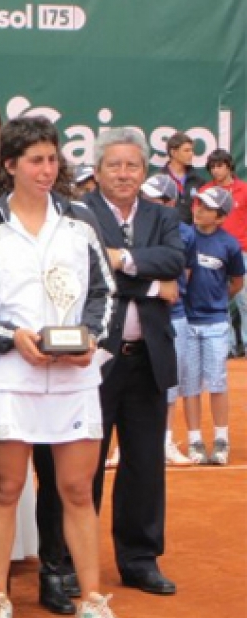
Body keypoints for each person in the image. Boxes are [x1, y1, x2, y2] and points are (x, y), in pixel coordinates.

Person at [0, 116, 122, 618]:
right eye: (36, 160)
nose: (47, 169)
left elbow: (103, 293)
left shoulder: (81, 220)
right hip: (9, 375)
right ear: (10, 165)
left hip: (75, 378)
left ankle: (90, 601)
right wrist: (11, 338)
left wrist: (90, 337)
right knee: (4, 487)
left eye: (53, 159)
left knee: (77, 490)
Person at [83, 127, 185, 597]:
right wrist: (149, 284)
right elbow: (88, 274)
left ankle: (140, 559)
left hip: (148, 358)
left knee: (145, 463)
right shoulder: (80, 216)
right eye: (114, 165)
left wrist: (122, 258)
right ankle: (66, 561)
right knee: (83, 464)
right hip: (93, 362)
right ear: (98, 170)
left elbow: (173, 262)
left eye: (132, 166)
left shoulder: (164, 216)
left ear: (145, 171)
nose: (124, 173)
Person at [181, 187, 245, 465]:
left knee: (217, 382)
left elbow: (237, 282)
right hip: (187, 322)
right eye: (198, 204)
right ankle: (195, 440)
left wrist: (217, 301)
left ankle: (221, 439)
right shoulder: (185, 237)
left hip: (216, 323)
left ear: (220, 217)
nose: (199, 209)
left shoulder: (229, 245)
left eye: (207, 208)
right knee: (190, 385)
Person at [139, 174, 196, 467]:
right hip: (140, 313)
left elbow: (182, 274)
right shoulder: (134, 226)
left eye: (154, 198)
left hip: (173, 317)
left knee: (168, 385)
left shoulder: (185, 234)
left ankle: (166, 441)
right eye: (145, 197)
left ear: (170, 203)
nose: (147, 202)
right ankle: (125, 448)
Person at [199, 149, 247, 358]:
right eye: (212, 167)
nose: (216, 170)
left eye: (220, 166)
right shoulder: (205, 191)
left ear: (229, 166)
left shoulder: (244, 190)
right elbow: (197, 220)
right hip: (213, 252)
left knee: (244, 300)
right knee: (219, 300)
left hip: (242, 250)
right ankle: (225, 347)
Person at [160, 131, 205, 224]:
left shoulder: (199, 181)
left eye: (192, 150)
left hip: (192, 236)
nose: (191, 154)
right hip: (166, 234)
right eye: (186, 150)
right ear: (173, 152)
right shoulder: (159, 180)